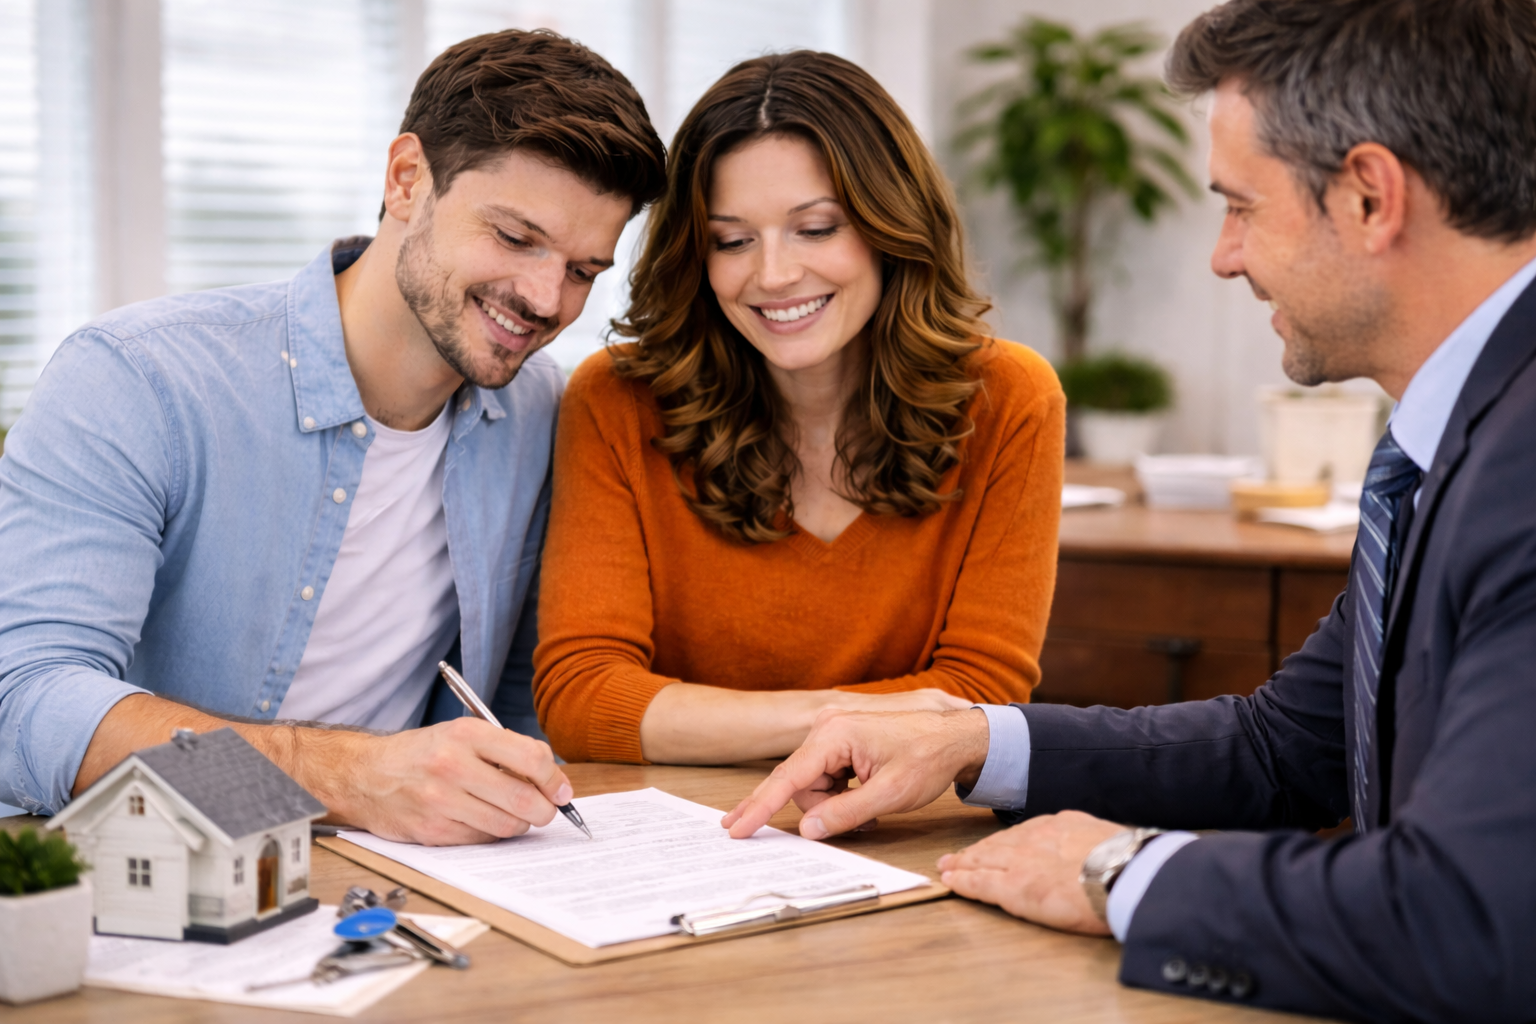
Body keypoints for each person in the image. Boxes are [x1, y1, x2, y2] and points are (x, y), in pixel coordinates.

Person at [724, 1, 1536, 1019]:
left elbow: (1472, 919)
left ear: (1371, 196)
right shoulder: (1466, 428)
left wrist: (1126, 873)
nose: (1223, 257)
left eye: (1240, 206)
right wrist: (974, 740)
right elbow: (1285, 750)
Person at [0, 29, 666, 845]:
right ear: (407, 180)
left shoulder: (534, 413)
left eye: (583, 271)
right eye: (515, 237)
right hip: (141, 870)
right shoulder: (138, 380)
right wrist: (349, 779)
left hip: (392, 880)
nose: (544, 298)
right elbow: (23, 699)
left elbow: (525, 698)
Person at [531, 51, 1065, 766]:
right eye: (733, 240)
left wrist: (706, 719)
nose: (774, 274)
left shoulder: (1011, 399)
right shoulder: (616, 400)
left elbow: (979, 700)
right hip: (682, 839)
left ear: (890, 225)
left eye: (816, 229)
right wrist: (850, 716)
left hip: (904, 835)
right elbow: (585, 700)